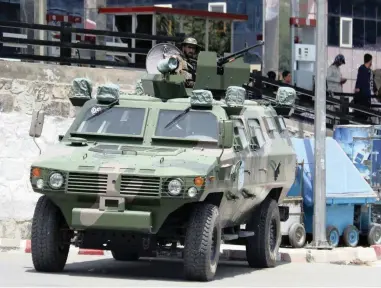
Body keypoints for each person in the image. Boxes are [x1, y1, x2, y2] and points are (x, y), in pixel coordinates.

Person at [354, 53, 378, 121]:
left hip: (368, 95)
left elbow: (372, 81)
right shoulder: (362, 69)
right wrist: (358, 88)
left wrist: (375, 90)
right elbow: (359, 80)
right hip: (364, 94)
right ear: (370, 61)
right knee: (363, 112)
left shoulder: (369, 71)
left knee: (368, 111)